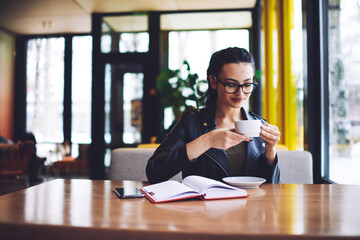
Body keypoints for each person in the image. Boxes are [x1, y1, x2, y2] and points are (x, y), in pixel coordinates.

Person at [146, 47, 281, 184]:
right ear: (213, 82)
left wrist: (271, 149)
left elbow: (273, 189)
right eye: (231, 84)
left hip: (251, 204)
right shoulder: (191, 123)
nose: (240, 93)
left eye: (247, 84)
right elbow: (154, 172)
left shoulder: (259, 125)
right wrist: (207, 141)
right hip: (204, 204)